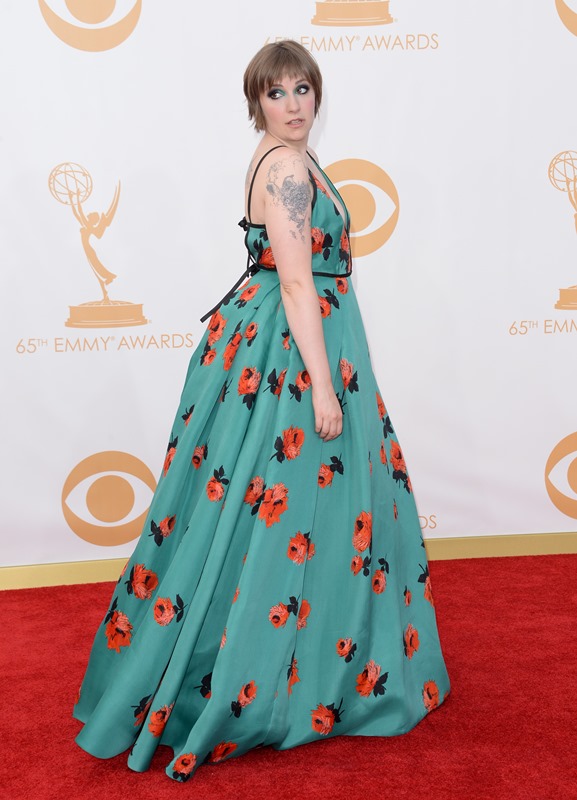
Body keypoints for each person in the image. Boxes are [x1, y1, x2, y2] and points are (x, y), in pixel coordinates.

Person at [73, 40, 451, 783]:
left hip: (285, 340)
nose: (293, 104)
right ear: (257, 103)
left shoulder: (292, 158)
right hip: (290, 351)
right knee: (284, 508)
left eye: (302, 88)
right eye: (276, 93)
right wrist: (322, 386)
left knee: (263, 513)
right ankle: (274, 681)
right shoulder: (285, 168)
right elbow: (298, 283)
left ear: (318, 93)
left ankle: (294, 668)